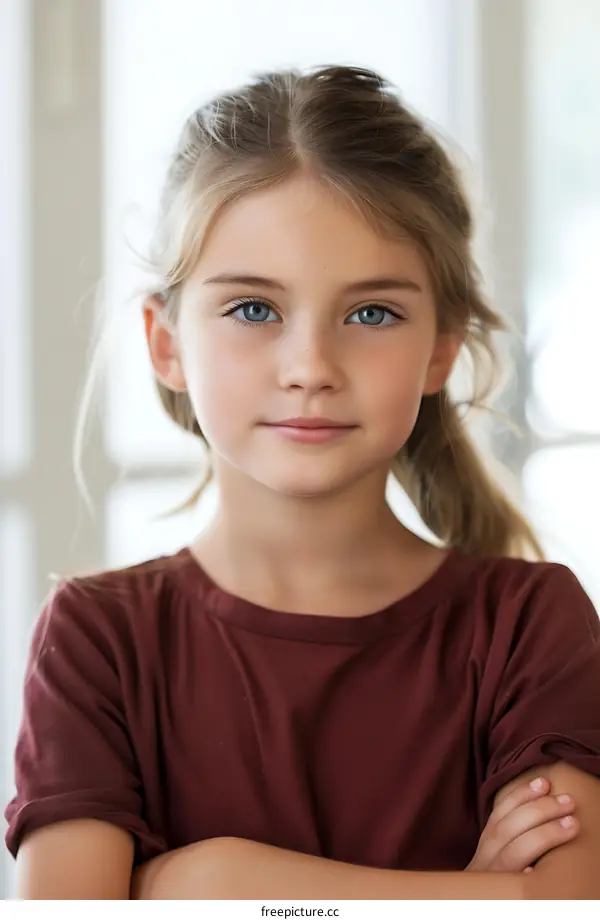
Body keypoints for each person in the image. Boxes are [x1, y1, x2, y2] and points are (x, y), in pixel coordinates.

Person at [5, 64, 600, 900]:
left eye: (371, 313)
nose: (311, 367)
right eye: (253, 309)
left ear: (440, 346)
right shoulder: (96, 642)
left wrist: (211, 885)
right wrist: (477, 895)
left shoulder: (531, 626)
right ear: (166, 342)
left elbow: (568, 908)